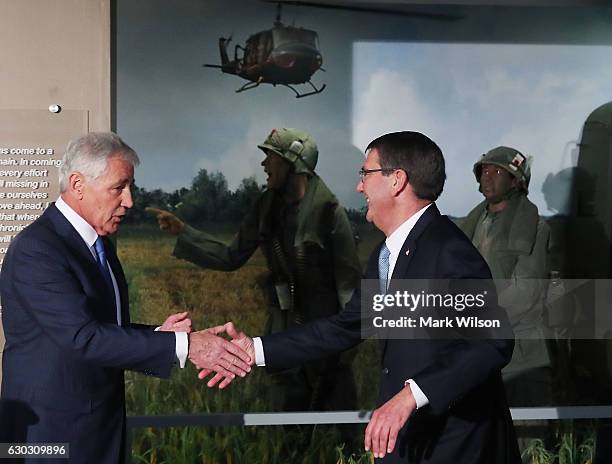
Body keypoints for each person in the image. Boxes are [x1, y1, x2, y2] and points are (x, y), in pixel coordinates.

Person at [205, 131, 520, 463]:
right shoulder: (386, 254)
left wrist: (411, 395)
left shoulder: (449, 251)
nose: (359, 187)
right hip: (413, 443)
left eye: (365, 174)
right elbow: (344, 328)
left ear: (397, 180)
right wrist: (255, 350)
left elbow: (492, 342)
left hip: (456, 447)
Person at [0, 132, 251, 464]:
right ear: (77, 185)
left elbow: (102, 329)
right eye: (118, 188)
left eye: (130, 187)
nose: (129, 201)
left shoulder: (98, 244)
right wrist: (188, 347)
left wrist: (161, 338)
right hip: (50, 440)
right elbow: (83, 337)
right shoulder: (39, 249)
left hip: (97, 431)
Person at [149, 128, 360, 413]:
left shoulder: (329, 212)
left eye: (270, 157)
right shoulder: (265, 206)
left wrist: (347, 345)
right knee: (287, 415)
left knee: (336, 414)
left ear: (293, 162)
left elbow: (349, 285)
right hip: (282, 327)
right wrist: (184, 231)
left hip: (325, 330)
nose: (264, 165)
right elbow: (230, 256)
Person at [460, 146, 552, 406]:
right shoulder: (470, 225)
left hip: (520, 354)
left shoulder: (534, 226)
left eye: (498, 171)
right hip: (474, 351)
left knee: (524, 437)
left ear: (516, 180)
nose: (488, 177)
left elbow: (526, 292)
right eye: (484, 171)